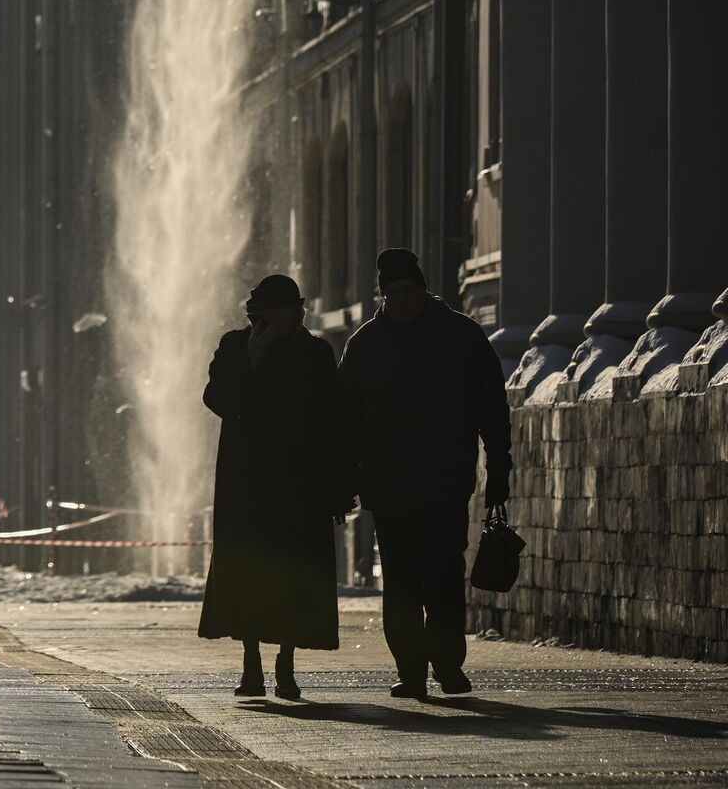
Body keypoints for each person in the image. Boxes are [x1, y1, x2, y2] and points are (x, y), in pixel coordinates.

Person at [340, 248, 512, 699]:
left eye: (408, 290)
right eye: (392, 292)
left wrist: (499, 469)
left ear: (423, 289)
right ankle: (411, 669)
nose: (401, 299)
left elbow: (493, 409)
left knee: (442, 578)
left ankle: (448, 665)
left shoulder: (461, 336)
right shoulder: (365, 345)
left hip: (445, 482)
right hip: (390, 487)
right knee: (400, 581)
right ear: (383, 295)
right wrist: (344, 480)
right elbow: (345, 420)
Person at [198, 274, 350, 700]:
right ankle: (251, 665)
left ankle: (285, 665)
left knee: (293, 574)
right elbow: (218, 401)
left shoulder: (316, 352)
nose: (281, 317)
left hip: (300, 484)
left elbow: (334, 421)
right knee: (248, 572)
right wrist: (250, 359)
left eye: (288, 309)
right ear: (258, 313)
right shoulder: (234, 346)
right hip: (245, 483)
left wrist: (339, 486)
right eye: (272, 309)